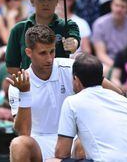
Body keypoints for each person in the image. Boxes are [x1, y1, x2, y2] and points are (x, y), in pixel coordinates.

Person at [7, 25, 121, 161]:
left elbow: (117, 95)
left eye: (52, 51)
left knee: (83, 142)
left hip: (74, 140)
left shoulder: (72, 67)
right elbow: (23, 133)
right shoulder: (18, 85)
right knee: (19, 144)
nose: (49, 59)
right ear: (29, 52)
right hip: (39, 143)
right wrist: (25, 93)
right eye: (43, 53)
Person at [52, 54, 127, 161]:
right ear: (102, 79)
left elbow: (62, 153)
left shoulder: (72, 102)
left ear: (76, 79)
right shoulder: (126, 103)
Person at [5, 0, 81, 75]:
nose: (45, 3)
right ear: (32, 0)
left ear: (57, 1)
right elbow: (12, 67)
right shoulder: (18, 29)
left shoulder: (68, 25)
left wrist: (72, 44)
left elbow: (74, 40)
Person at [92, 0, 127, 74]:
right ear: (111, 5)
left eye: (123, 7)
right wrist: (117, 66)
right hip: (109, 62)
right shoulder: (99, 24)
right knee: (103, 71)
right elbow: (100, 54)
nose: (119, 9)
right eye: (116, 5)